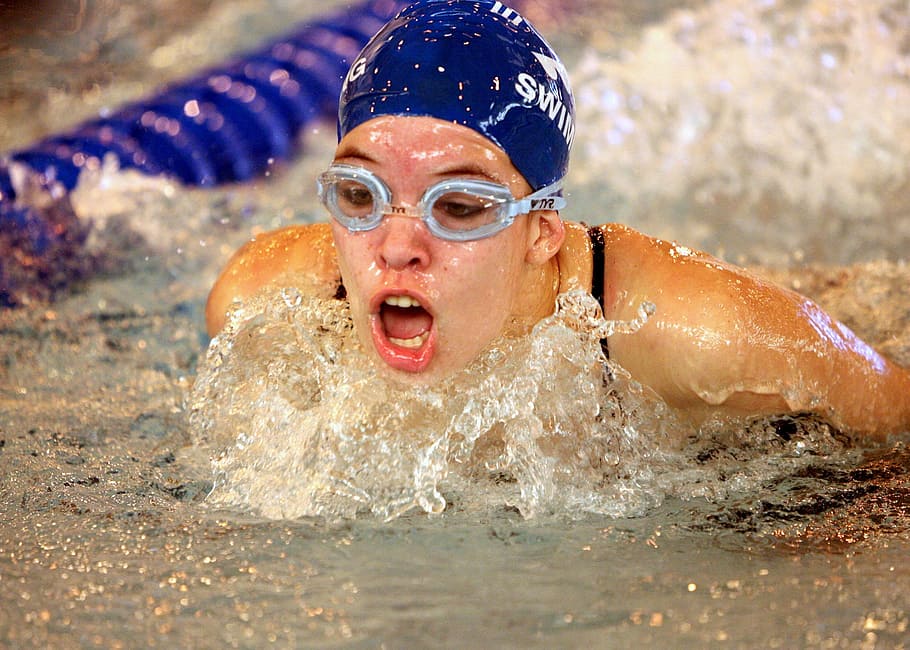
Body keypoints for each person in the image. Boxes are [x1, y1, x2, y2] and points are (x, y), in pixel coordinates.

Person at [205, 0, 910, 438]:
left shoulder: (696, 336)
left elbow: (892, 416)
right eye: (360, 194)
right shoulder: (264, 309)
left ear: (541, 231)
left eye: (457, 206)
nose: (396, 247)